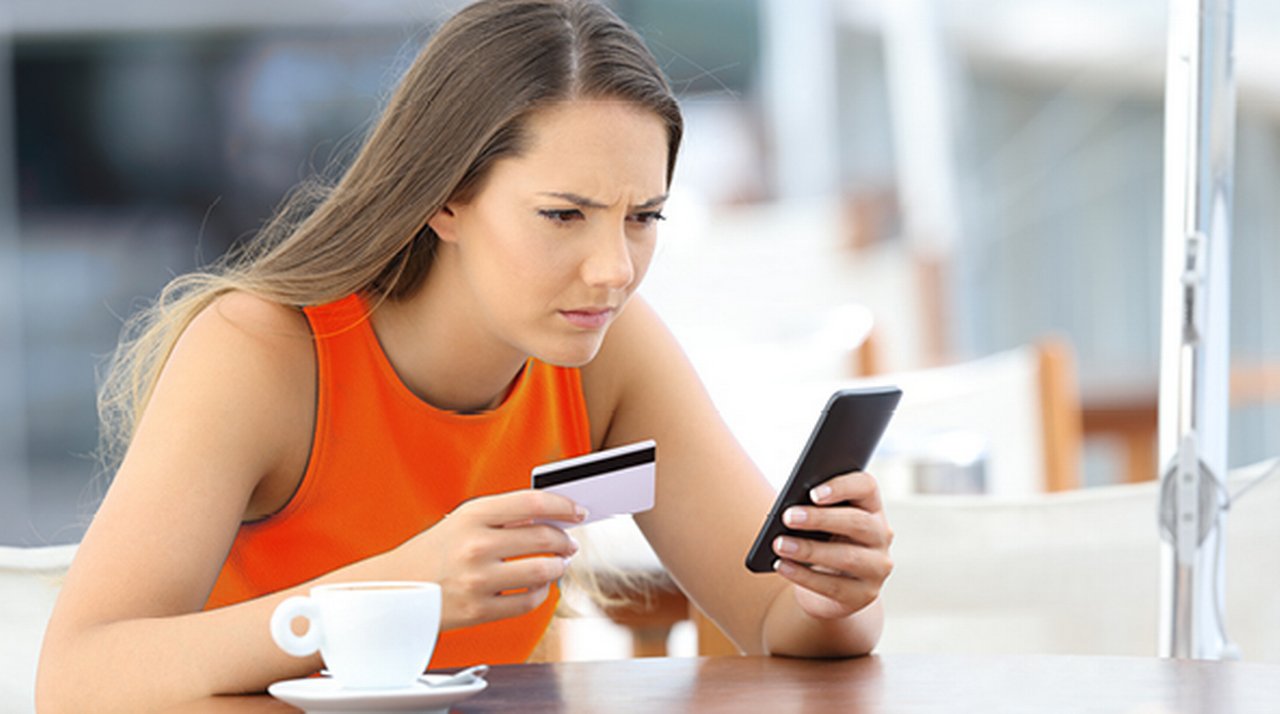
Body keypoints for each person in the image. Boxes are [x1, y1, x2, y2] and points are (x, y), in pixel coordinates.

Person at [36, 0, 894, 710]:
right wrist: (396, 592)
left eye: (643, 218)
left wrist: (833, 596)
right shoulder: (260, 353)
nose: (613, 270)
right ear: (445, 199)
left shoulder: (606, 349)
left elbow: (776, 619)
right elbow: (77, 680)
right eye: (563, 215)